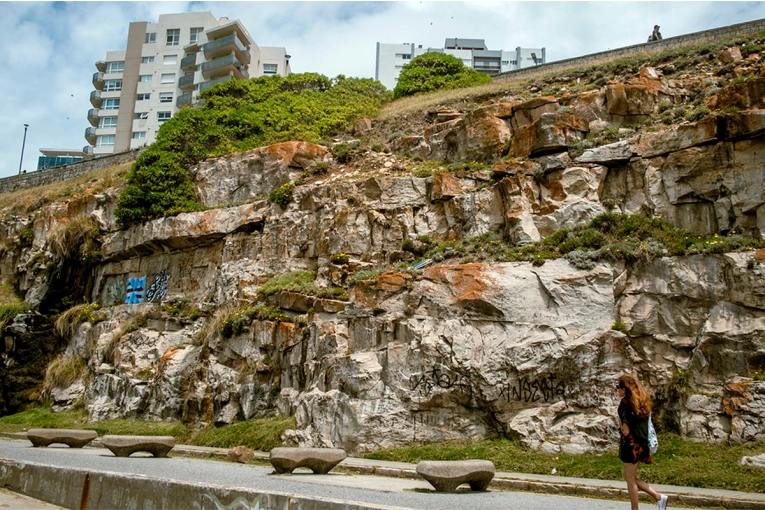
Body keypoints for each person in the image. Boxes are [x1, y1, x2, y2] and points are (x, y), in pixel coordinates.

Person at [617, 374, 668, 510]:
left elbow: (626, 431)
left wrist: (620, 423)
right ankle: (658, 498)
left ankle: (636, 508)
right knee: (631, 477)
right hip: (641, 444)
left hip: (631, 445)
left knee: (629, 479)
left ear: (624, 389)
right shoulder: (641, 401)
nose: (617, 390)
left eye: (618, 387)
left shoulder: (625, 405)